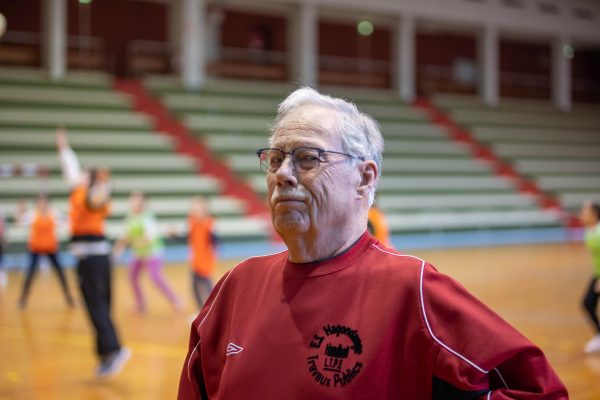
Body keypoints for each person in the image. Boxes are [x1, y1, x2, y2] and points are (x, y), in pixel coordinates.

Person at [177, 87, 567, 399]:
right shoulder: (235, 289)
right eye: (275, 159)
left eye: (307, 158)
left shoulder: (413, 290)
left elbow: (540, 391)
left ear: (364, 178)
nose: (282, 174)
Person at [56, 128, 130, 378]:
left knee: (96, 305)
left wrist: (100, 184)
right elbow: (71, 168)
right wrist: (64, 147)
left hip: (91, 259)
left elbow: (92, 194)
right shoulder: (83, 193)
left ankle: (115, 349)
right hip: (97, 257)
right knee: (101, 305)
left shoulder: (90, 195)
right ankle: (107, 353)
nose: (81, 175)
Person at [112, 191, 182, 313]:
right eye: (133, 199)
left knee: (155, 277)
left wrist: (133, 242)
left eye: (137, 200)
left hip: (152, 252)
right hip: (139, 253)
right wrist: (117, 251)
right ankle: (140, 304)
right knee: (132, 277)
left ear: (143, 202)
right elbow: (125, 236)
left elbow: (148, 238)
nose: (134, 202)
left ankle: (175, 300)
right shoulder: (129, 216)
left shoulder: (147, 217)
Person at [16, 195, 75, 309]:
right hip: (36, 248)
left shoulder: (54, 214)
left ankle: (69, 298)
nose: (42, 204)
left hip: (50, 248)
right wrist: (20, 210)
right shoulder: (32, 214)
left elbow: (68, 221)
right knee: (30, 274)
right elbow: (20, 222)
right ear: (37, 203)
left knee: (61, 273)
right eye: (40, 202)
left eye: (44, 202)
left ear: (48, 203)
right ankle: (23, 299)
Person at [187, 196, 217, 310]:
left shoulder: (208, 224)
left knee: (206, 286)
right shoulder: (193, 222)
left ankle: (213, 309)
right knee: (195, 287)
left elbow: (215, 240)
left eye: (198, 208)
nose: (195, 211)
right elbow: (190, 237)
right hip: (196, 260)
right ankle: (201, 311)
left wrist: (214, 249)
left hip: (205, 261)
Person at [581, 200, 600, 354]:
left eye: (585, 211)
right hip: (597, 274)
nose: (582, 214)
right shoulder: (589, 231)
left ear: (594, 214)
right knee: (588, 303)